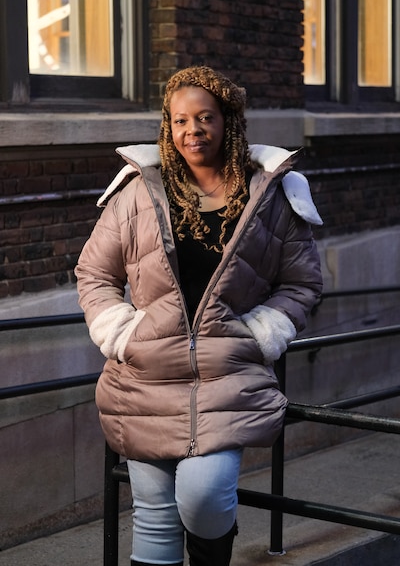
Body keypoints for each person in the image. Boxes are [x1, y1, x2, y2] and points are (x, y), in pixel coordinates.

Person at [75, 65, 323, 566]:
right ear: (169, 126)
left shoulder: (270, 196)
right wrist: (120, 333)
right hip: (145, 379)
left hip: (226, 377)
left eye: (205, 117)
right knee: (154, 517)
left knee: (205, 497)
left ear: (228, 120)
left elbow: (302, 282)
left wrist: (260, 334)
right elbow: (93, 274)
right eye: (181, 120)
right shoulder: (137, 193)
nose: (193, 130)